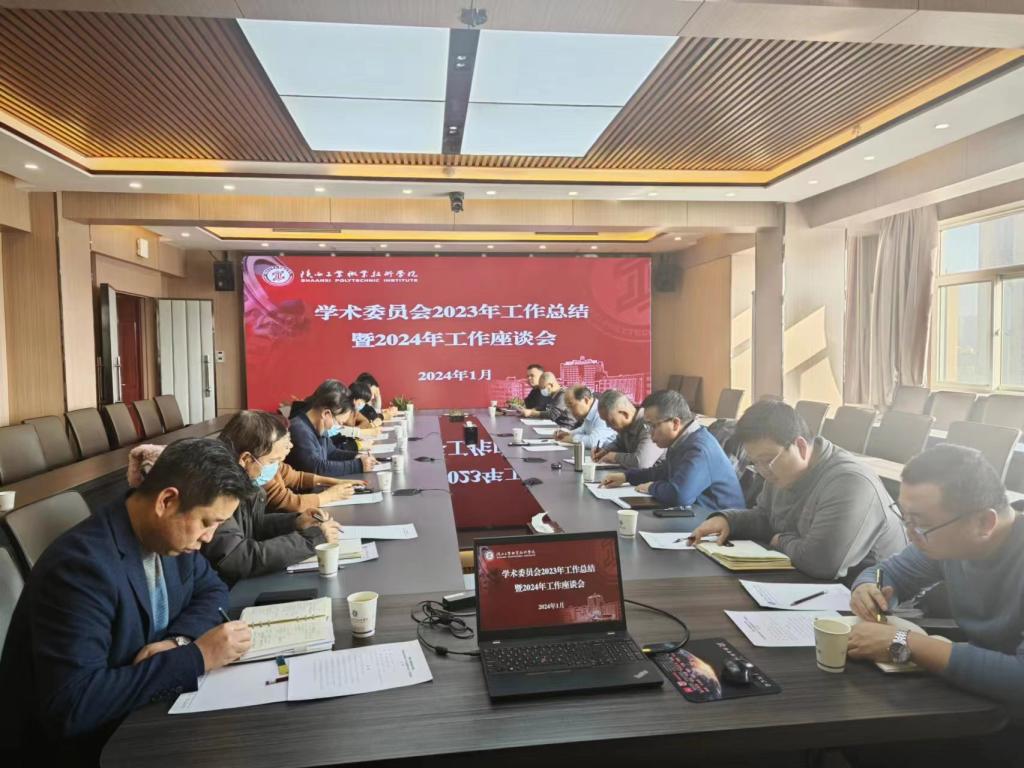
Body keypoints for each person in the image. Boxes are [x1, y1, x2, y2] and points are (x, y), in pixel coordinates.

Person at [0, 439, 255, 765]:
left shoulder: (171, 537)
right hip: (89, 749)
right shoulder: (80, 568)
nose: (209, 537)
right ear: (167, 501)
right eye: (207, 522)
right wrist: (197, 657)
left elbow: (212, 590)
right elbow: (74, 704)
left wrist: (177, 641)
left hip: (140, 717)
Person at [847, 444, 1024, 705]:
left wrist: (903, 642)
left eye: (921, 524)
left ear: (983, 522)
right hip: (978, 689)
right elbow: (888, 573)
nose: (910, 534)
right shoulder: (950, 542)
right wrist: (868, 589)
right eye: (905, 518)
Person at [687, 400, 906, 580]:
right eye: (756, 463)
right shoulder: (780, 470)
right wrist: (728, 521)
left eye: (767, 460)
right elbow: (765, 518)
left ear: (800, 446)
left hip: (870, 602)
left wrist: (780, 540)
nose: (763, 471)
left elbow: (821, 562)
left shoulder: (849, 482)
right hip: (807, 584)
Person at [204, 411, 343, 585]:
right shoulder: (215, 490)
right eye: (271, 462)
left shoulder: (244, 478)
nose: (275, 469)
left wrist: (296, 522)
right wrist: (311, 540)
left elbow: (253, 526)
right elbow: (237, 557)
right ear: (246, 459)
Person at [601, 390, 743, 511]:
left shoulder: (699, 448)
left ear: (675, 423)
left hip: (721, 523)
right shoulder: (683, 440)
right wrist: (626, 477)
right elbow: (664, 471)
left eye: (653, 426)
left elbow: (679, 495)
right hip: (699, 515)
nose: (650, 433)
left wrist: (652, 487)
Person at [288, 382, 376, 477]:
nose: (340, 426)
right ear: (326, 414)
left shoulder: (320, 426)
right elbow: (316, 468)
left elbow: (331, 453)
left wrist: (357, 456)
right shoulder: (299, 430)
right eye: (339, 422)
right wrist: (358, 465)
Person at [594, 389, 665, 469]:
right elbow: (619, 444)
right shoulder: (626, 427)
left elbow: (641, 463)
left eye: (610, 421)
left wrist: (614, 457)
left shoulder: (649, 424)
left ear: (625, 414)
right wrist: (605, 451)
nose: (607, 425)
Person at [553, 385, 616, 450]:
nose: (570, 411)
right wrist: (568, 433)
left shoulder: (601, 411)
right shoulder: (590, 411)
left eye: (571, 406)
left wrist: (572, 438)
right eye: (568, 407)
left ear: (586, 400)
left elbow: (593, 442)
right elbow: (583, 429)